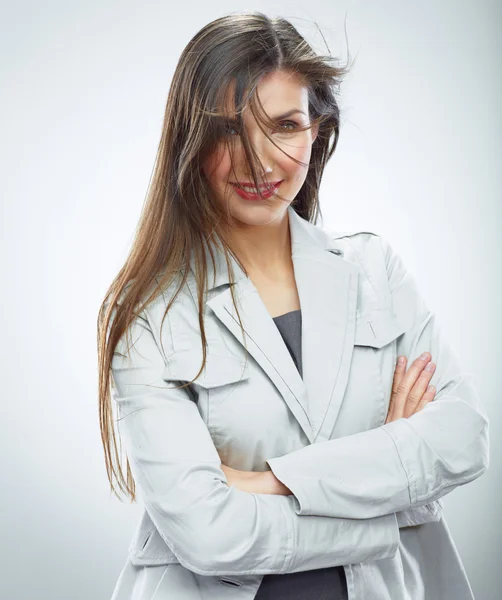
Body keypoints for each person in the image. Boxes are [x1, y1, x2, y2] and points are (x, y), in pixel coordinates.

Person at [97, 11, 490, 600]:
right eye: (229, 130)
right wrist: (386, 483)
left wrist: (264, 482)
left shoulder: (373, 272)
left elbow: (463, 439)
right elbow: (209, 534)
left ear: (317, 130)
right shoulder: (149, 312)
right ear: (191, 140)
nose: (259, 162)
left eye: (284, 125)